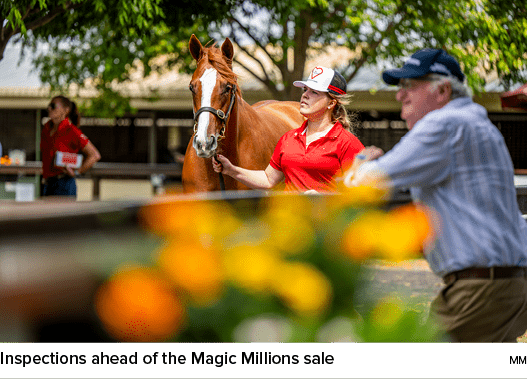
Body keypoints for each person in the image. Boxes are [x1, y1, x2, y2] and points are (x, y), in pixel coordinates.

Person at [344, 48, 527, 342]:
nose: (400, 96)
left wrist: (362, 161)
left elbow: (365, 184)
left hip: (478, 290)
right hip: (512, 285)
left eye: (408, 86)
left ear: (442, 90)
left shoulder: (443, 124)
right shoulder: (481, 127)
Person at [212, 66, 364, 193]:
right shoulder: (288, 138)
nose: (305, 95)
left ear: (331, 103)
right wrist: (231, 170)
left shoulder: (347, 142)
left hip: (327, 226)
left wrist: (327, 199)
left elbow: (362, 190)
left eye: (314, 92)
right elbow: (268, 179)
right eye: (305, 89)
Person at [41, 95, 101, 197]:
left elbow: (95, 155)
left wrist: (77, 172)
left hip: (64, 184)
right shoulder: (46, 128)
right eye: (49, 106)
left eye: (53, 106)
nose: (49, 108)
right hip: (47, 184)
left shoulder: (72, 131)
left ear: (65, 110)